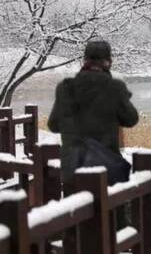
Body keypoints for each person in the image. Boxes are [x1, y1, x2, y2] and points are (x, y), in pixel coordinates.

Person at [48, 40, 139, 192]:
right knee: (110, 213)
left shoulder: (66, 87)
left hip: (73, 168)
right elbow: (131, 119)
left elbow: (54, 125)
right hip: (106, 167)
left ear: (84, 61)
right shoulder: (115, 87)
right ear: (108, 62)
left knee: (75, 212)